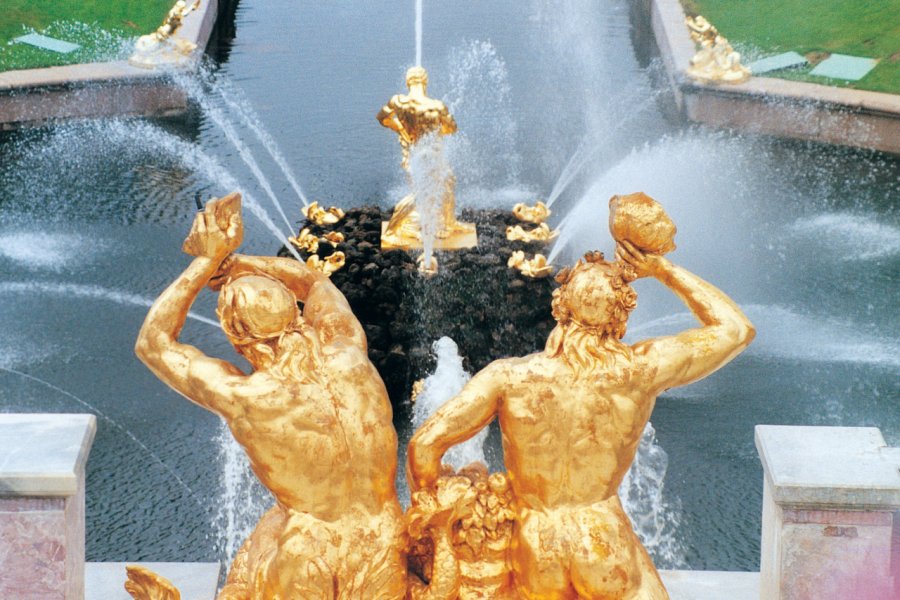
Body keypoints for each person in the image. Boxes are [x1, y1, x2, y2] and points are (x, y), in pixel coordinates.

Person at [407, 244, 755, 599]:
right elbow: (736, 329)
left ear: (560, 307)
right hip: (601, 540)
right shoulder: (640, 371)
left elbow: (424, 445)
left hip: (535, 547)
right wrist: (664, 270)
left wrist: (433, 518)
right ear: (621, 313)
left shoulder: (508, 378)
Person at [133, 195, 406, 599]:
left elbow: (153, 343)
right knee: (270, 529)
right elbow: (315, 282)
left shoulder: (248, 398)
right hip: (386, 542)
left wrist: (208, 262)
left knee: (267, 544)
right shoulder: (349, 350)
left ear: (238, 338)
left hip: (308, 555)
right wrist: (239, 263)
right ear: (295, 316)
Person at [378, 66, 473, 242]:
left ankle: (449, 223)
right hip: (427, 155)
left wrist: (402, 129)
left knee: (448, 181)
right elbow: (451, 128)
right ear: (425, 82)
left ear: (408, 82)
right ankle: (392, 229)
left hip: (415, 153)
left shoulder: (398, 101)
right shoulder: (437, 106)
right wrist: (433, 130)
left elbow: (383, 118)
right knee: (421, 193)